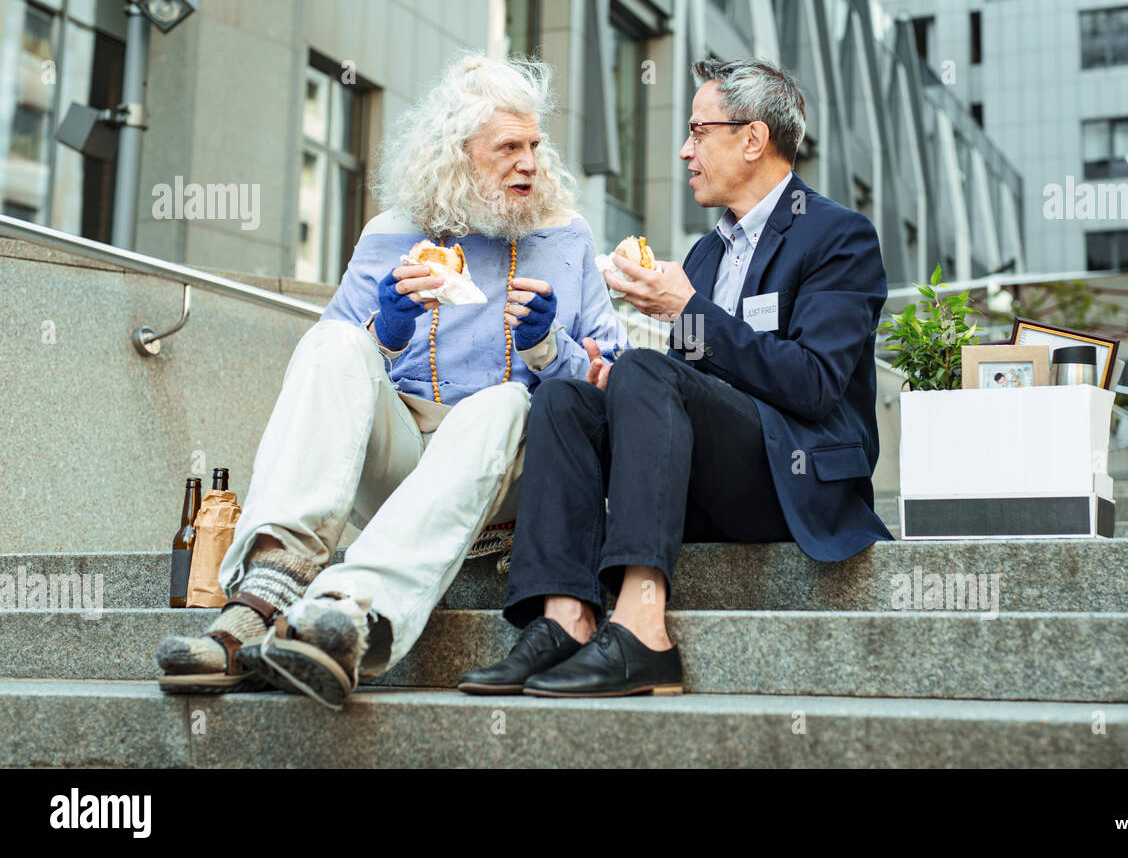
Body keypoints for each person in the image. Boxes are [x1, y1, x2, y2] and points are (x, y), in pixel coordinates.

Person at [155, 55, 627, 709]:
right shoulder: (390, 234)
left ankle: (349, 615)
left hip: (510, 468)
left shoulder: (566, 237)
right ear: (458, 155)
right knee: (332, 341)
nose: (530, 164)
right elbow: (333, 368)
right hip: (403, 452)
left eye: (534, 146)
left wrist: (550, 347)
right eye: (508, 148)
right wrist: (389, 327)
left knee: (501, 401)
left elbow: (615, 379)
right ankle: (267, 589)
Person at [459, 58, 891, 699]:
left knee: (644, 369)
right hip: (712, 474)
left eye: (698, 130)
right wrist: (623, 385)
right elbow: (695, 381)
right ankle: (565, 620)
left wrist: (685, 313)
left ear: (751, 139)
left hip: (791, 478)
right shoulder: (707, 252)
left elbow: (814, 385)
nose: (685, 150)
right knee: (568, 400)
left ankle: (642, 632)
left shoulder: (838, 237)